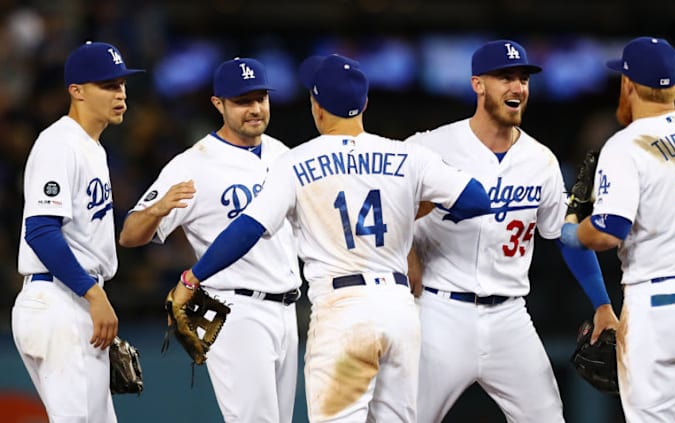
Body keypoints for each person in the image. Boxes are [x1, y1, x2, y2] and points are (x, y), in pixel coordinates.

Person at [170, 53, 492, 423]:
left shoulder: (296, 161)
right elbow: (477, 199)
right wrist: (415, 210)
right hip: (398, 312)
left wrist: (192, 277)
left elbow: (248, 229)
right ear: (364, 104)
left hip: (344, 314)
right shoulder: (407, 156)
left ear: (317, 107)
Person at [405, 39, 618, 423]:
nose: (518, 87)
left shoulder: (540, 160)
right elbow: (385, 210)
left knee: (548, 417)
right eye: (505, 77)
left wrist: (602, 303)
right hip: (439, 312)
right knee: (404, 417)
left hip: (510, 317)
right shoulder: (428, 147)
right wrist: (406, 251)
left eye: (523, 78)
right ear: (478, 84)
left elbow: (565, 237)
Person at [560, 36, 675, 422]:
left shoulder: (625, 145)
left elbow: (609, 232)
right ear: (672, 86)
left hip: (662, 301)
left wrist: (576, 229)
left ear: (627, 85)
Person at [118, 57, 302, 422]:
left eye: (260, 98)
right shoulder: (193, 163)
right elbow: (129, 235)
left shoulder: (284, 154)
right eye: (242, 101)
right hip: (236, 310)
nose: (254, 109)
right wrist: (157, 210)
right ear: (218, 104)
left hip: (288, 308)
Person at [12, 41, 143, 422]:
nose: (119, 94)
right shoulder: (59, 143)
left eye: (121, 84)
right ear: (77, 91)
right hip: (59, 297)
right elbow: (40, 230)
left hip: (72, 297)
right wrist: (92, 293)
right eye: (107, 85)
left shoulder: (92, 148)